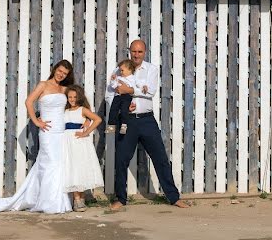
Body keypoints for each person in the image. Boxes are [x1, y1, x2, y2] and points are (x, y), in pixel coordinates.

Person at [0, 60, 75, 214]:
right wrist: (36, 122)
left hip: (61, 132)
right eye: (60, 71)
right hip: (48, 132)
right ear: (55, 69)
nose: (61, 75)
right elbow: (28, 102)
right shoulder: (43, 85)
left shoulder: (64, 89)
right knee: (49, 164)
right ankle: (49, 203)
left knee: (59, 165)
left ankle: (57, 201)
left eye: (65, 74)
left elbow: (72, 107)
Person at [108, 39, 188, 210]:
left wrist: (129, 91)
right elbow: (111, 92)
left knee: (160, 158)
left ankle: (174, 197)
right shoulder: (119, 69)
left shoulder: (151, 69)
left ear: (145, 52)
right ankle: (120, 199)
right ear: (129, 51)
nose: (136, 55)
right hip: (127, 120)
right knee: (121, 159)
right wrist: (122, 104)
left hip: (146, 120)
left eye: (140, 52)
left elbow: (150, 91)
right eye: (134, 51)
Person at [63, 85, 104, 211]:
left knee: (80, 168)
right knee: (72, 168)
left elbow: (97, 119)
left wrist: (86, 132)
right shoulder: (64, 111)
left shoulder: (82, 110)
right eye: (70, 97)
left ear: (79, 97)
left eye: (75, 97)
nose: (72, 99)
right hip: (67, 141)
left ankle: (80, 198)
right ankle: (76, 199)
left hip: (79, 141)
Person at [106, 59, 137, 134]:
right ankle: (111, 127)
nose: (120, 72)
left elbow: (134, 89)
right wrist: (113, 80)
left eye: (122, 70)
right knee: (113, 111)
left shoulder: (133, 79)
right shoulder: (119, 78)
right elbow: (113, 86)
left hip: (126, 97)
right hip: (117, 97)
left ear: (129, 69)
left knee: (124, 112)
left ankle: (124, 127)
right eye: (120, 70)